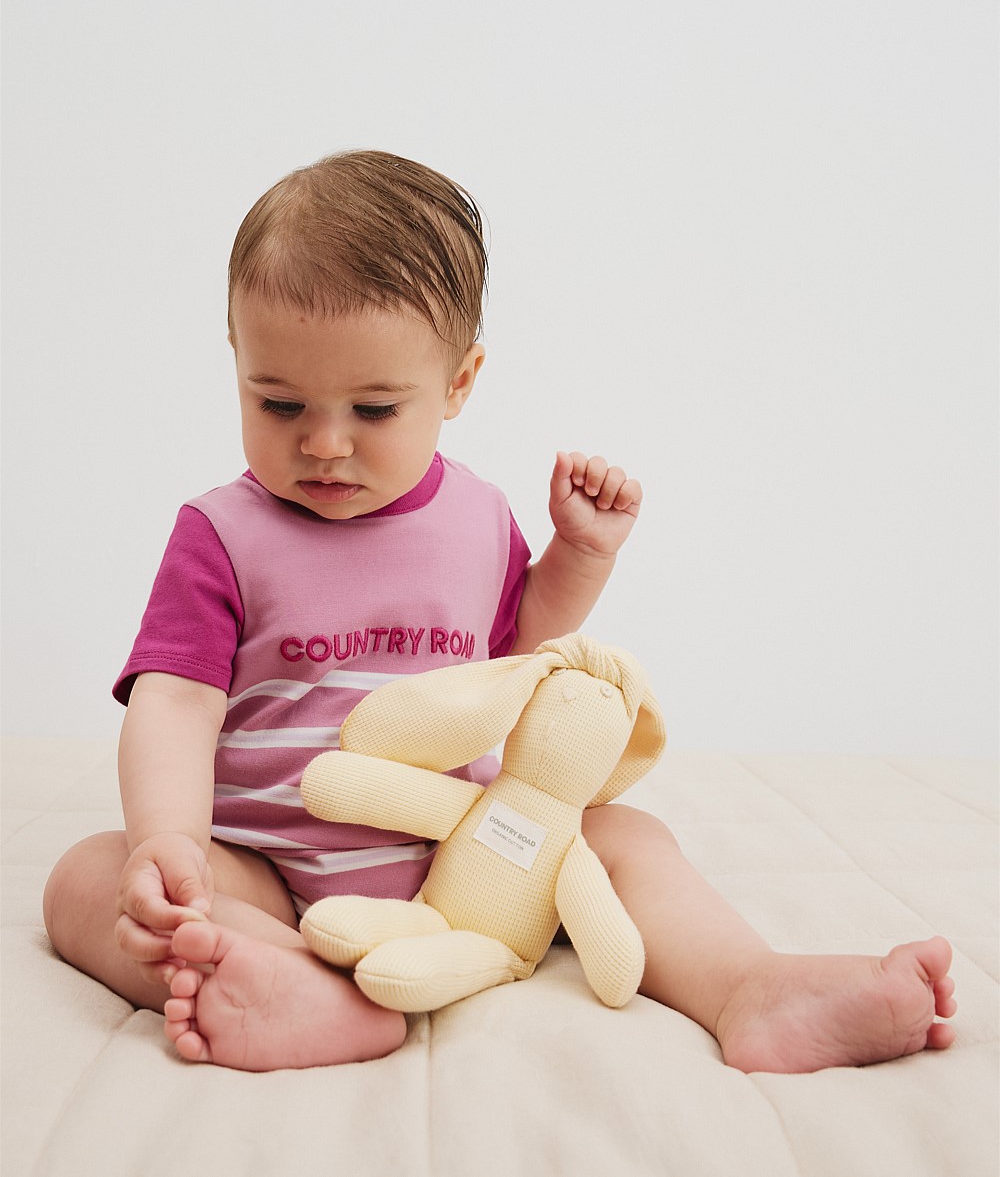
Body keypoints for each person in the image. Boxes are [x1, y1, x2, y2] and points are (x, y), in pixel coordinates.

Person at [43, 149, 957, 1074]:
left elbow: (519, 657)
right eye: (279, 403)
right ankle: (298, 985)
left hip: (473, 853)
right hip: (272, 868)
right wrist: (169, 843)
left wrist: (580, 554)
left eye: (373, 408)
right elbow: (176, 702)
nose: (324, 443)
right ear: (237, 357)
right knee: (88, 880)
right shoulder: (220, 533)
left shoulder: (476, 516)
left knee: (628, 842)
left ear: (459, 383)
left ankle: (750, 986)